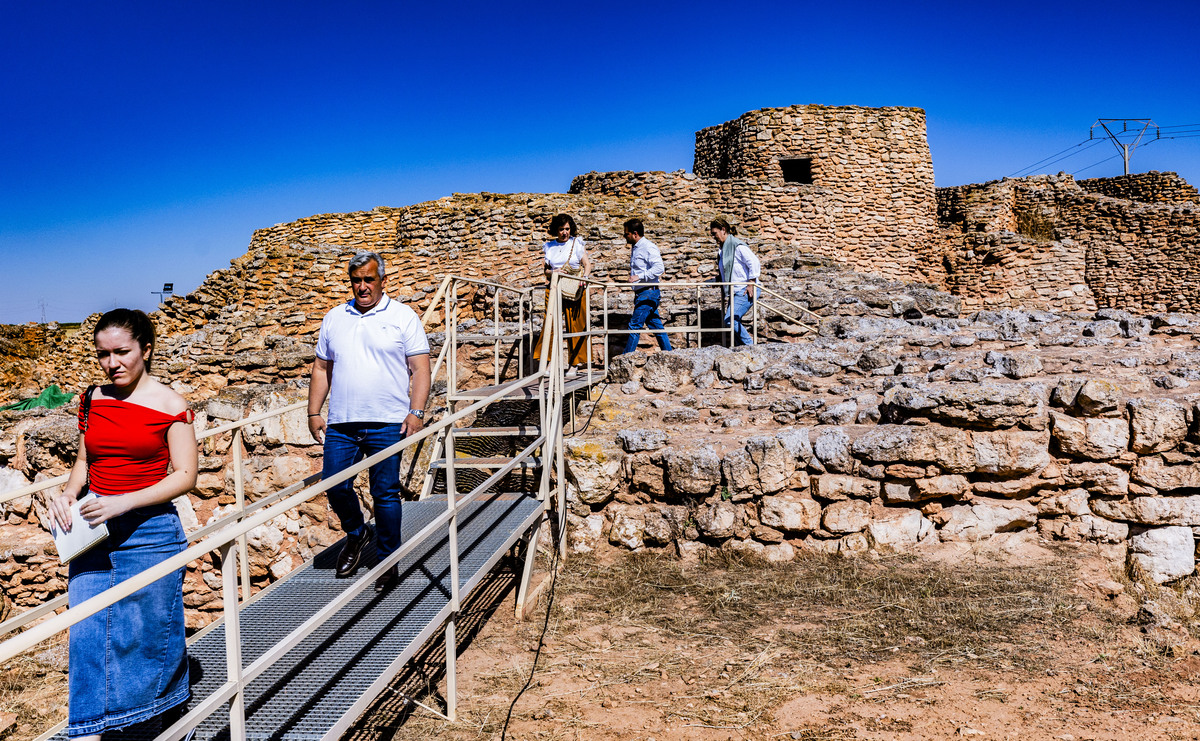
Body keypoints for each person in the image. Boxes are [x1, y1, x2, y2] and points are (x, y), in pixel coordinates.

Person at [48, 309, 197, 740]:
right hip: (94, 531)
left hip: (149, 532)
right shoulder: (91, 398)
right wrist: (68, 493)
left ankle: (164, 721)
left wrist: (122, 503)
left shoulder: (171, 404)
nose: (112, 363)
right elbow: (83, 461)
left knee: (148, 636)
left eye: (121, 352)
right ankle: (92, 731)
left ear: (146, 349)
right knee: (88, 634)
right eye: (103, 354)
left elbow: (186, 475)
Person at [307, 251, 431, 593]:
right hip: (342, 422)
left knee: (385, 493)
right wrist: (314, 411)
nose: (362, 286)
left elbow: (420, 368)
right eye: (356, 280)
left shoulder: (403, 316)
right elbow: (321, 367)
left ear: (382, 281)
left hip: (388, 421)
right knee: (334, 483)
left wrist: (416, 411)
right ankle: (357, 533)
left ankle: (389, 560)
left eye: (369, 279)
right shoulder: (335, 317)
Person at [532, 213, 592, 376]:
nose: (565, 232)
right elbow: (545, 270)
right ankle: (549, 362)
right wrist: (553, 271)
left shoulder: (577, 243)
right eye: (561, 229)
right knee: (550, 323)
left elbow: (586, 264)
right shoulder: (549, 246)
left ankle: (575, 363)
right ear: (555, 230)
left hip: (574, 288)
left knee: (575, 323)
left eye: (567, 229)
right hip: (554, 287)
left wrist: (585, 278)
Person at [622, 218, 672, 355]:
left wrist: (639, 276)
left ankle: (625, 359)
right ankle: (670, 354)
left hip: (648, 293)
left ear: (635, 233)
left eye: (626, 234)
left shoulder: (648, 247)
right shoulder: (636, 247)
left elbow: (659, 268)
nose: (624, 237)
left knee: (634, 326)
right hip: (643, 293)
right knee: (657, 327)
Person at [710, 217, 761, 346]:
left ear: (723, 230)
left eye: (714, 233)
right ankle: (741, 349)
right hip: (735, 290)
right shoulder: (723, 250)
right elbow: (729, 272)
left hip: (745, 290)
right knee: (732, 324)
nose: (714, 237)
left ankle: (750, 346)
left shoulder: (737, 246)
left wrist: (751, 283)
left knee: (730, 320)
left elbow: (753, 262)